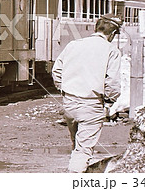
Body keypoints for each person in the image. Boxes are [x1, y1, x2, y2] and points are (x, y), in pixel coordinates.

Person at [52, 14, 123, 173]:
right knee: (83, 150)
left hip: (69, 105)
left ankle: (76, 170)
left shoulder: (73, 45)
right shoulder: (111, 50)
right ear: (112, 34)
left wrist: (65, 90)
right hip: (92, 105)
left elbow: (57, 71)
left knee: (76, 144)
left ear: (96, 28)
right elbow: (112, 82)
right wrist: (109, 103)